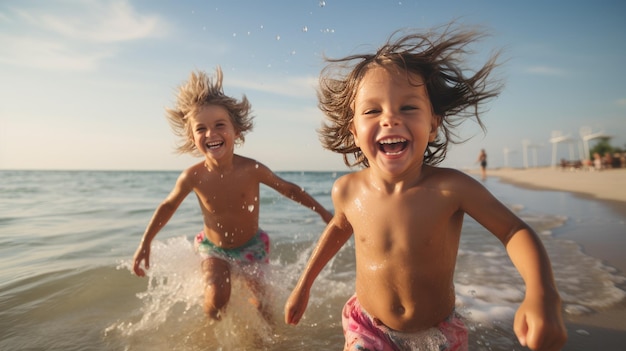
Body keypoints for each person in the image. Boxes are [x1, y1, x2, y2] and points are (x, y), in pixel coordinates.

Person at [285, 24, 567, 351]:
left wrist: (542, 292)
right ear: (355, 131)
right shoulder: (347, 190)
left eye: (407, 107)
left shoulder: (451, 188)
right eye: (373, 110)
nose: (389, 119)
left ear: (433, 124)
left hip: (438, 332)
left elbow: (513, 230)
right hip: (367, 328)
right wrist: (303, 285)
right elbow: (338, 228)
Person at [133, 67, 334, 321]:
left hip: (253, 245)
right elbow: (168, 205)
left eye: (219, 125)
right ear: (192, 136)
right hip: (214, 248)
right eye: (201, 128)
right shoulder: (192, 176)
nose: (211, 134)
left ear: (236, 131)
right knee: (217, 298)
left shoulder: (252, 169)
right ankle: (212, 337)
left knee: (264, 307)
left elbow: (289, 189)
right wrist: (145, 243)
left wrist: (323, 212)